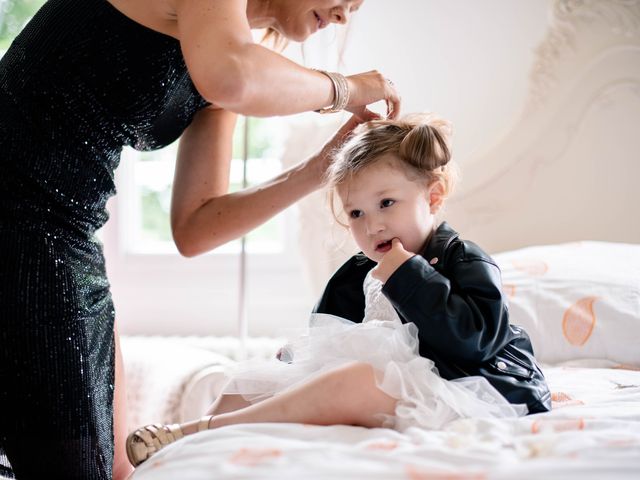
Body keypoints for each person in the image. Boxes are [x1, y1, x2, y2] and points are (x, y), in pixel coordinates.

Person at [0, 0, 400, 478]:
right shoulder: (229, 60)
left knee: (118, 469)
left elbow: (196, 225)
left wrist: (320, 168)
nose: (342, 16)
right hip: (19, 230)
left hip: (64, 240)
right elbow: (233, 75)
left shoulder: (229, 56)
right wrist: (347, 88)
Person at [125, 113, 552, 468]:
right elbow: (329, 334)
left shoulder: (465, 260)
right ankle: (195, 451)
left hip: (468, 383)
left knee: (356, 380)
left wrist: (409, 276)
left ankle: (194, 432)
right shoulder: (358, 272)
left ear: (434, 196)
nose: (372, 225)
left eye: (387, 203)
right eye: (356, 213)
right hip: (388, 380)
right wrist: (293, 359)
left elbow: (474, 342)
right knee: (244, 384)